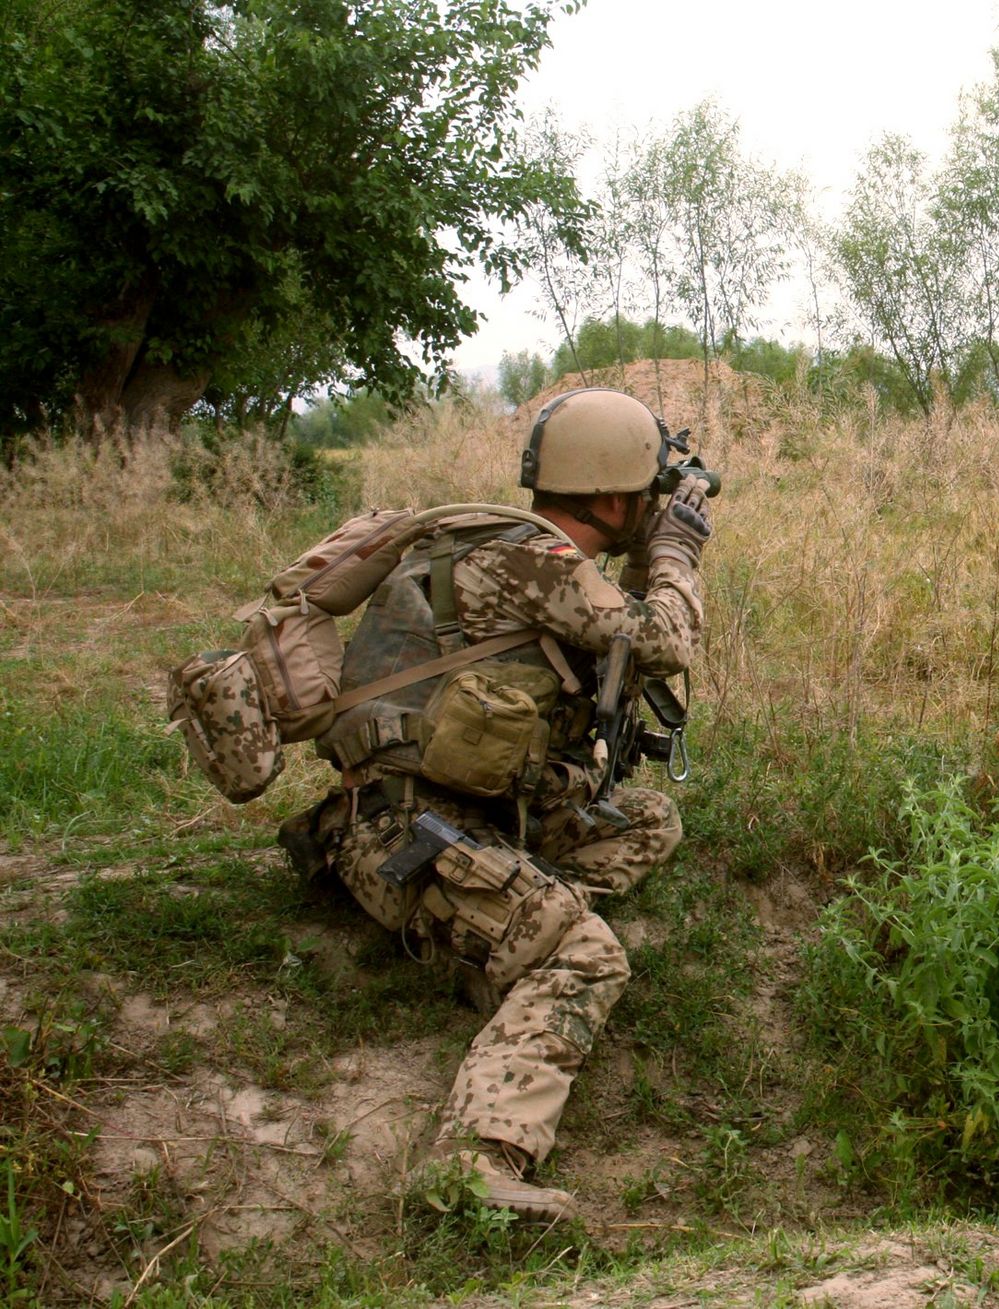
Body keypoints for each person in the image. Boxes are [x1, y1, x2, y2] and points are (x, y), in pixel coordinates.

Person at [280, 388, 711, 1221]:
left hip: (443, 809)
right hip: (405, 831)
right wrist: (678, 553)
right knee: (588, 954)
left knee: (647, 822)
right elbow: (664, 641)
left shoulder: (513, 546)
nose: (655, 505)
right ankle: (476, 1159)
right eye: (648, 493)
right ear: (617, 496)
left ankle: (494, 926)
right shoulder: (533, 562)